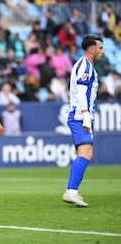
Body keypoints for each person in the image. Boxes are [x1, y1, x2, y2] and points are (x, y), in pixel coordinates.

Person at [62, 34, 104, 207]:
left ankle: (72, 191)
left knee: (83, 154)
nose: (103, 52)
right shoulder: (85, 66)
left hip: (82, 116)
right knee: (87, 153)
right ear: (91, 49)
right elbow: (80, 92)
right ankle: (71, 192)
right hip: (80, 116)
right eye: (100, 48)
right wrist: (86, 116)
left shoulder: (86, 66)